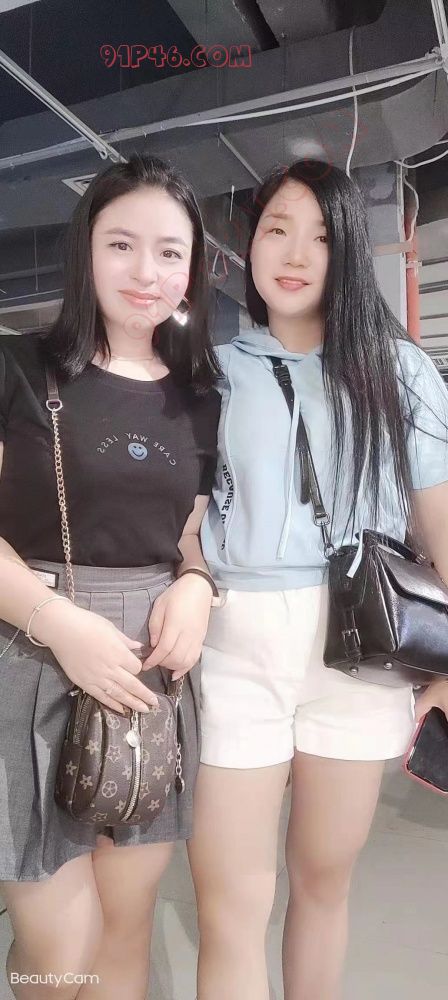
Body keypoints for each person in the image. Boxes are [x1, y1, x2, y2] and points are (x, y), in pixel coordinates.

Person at [188, 159, 448, 1000]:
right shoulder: (210, 371)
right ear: (249, 244)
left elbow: (441, 520)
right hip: (235, 646)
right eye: (278, 230)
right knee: (230, 903)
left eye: (323, 236)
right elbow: (184, 515)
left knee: (323, 882)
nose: (297, 253)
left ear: (350, 254)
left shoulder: (397, 370)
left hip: (362, 649)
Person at [0, 153, 220, 1000]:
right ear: (85, 250)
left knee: (126, 927)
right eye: (121, 244)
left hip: (149, 674)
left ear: (192, 268)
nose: (145, 272)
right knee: (61, 945)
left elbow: (188, 534)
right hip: (32, 649)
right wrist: (59, 625)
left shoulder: (201, 396)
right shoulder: (21, 368)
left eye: (170, 252)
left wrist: (197, 584)